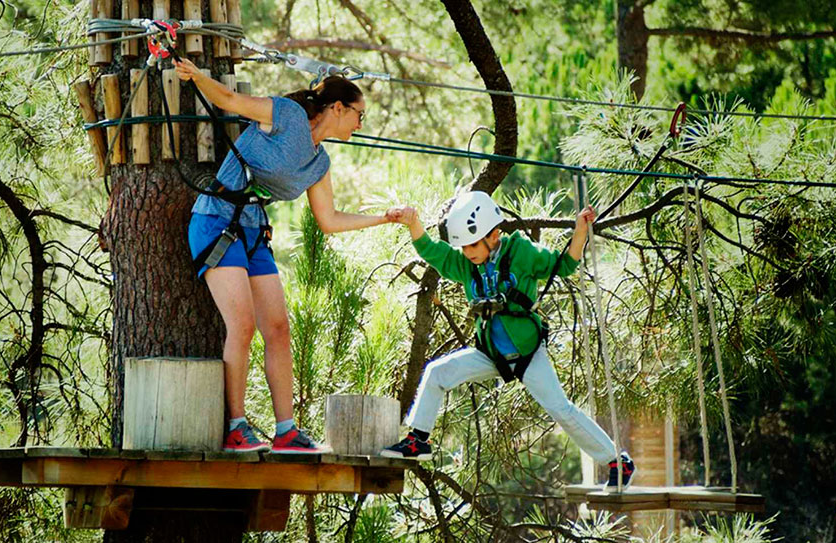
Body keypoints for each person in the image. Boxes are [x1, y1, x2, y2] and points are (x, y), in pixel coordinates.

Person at [172, 58, 400, 454]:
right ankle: (236, 426)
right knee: (242, 326)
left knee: (278, 329)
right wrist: (196, 77)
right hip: (215, 221)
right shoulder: (288, 115)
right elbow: (228, 99)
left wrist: (383, 219)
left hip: (252, 230)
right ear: (337, 108)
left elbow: (328, 219)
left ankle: (287, 430)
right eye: (359, 115)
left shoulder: (319, 162)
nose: (361, 125)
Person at [380, 191, 636, 490]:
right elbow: (434, 252)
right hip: (490, 353)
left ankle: (617, 462)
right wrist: (414, 224)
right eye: (463, 246)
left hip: (527, 353)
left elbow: (563, 265)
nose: (467, 252)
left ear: (494, 234)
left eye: (473, 244)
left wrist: (580, 232)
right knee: (437, 373)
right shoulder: (467, 265)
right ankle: (417, 440)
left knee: (560, 409)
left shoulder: (521, 253)